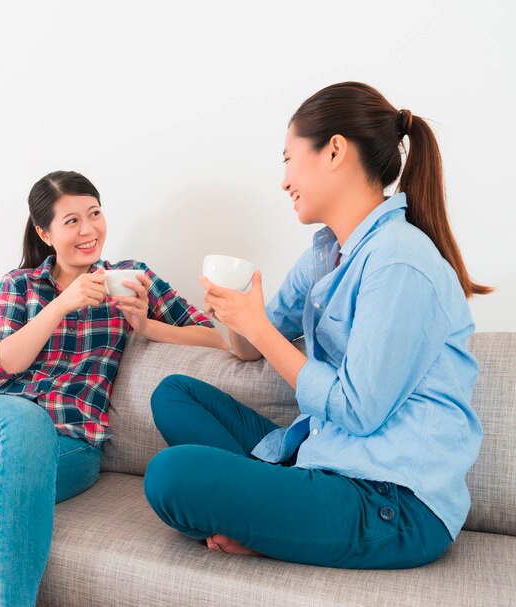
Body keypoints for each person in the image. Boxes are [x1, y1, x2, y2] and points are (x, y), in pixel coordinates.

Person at [144, 82, 491, 569]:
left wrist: (258, 329)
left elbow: (358, 410)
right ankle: (271, 516)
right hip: (327, 457)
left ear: (333, 151)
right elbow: (249, 349)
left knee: (170, 477)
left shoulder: (399, 261)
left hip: (393, 502)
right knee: (175, 394)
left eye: (287, 159)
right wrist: (236, 311)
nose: (283, 180)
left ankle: (267, 519)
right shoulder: (327, 254)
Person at [0, 170, 226, 607]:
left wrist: (150, 328)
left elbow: (217, 338)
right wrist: (60, 306)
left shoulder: (131, 280)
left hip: (71, 446)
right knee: (22, 419)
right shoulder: (21, 284)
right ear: (45, 233)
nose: (89, 229)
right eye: (72, 220)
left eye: (94, 213)